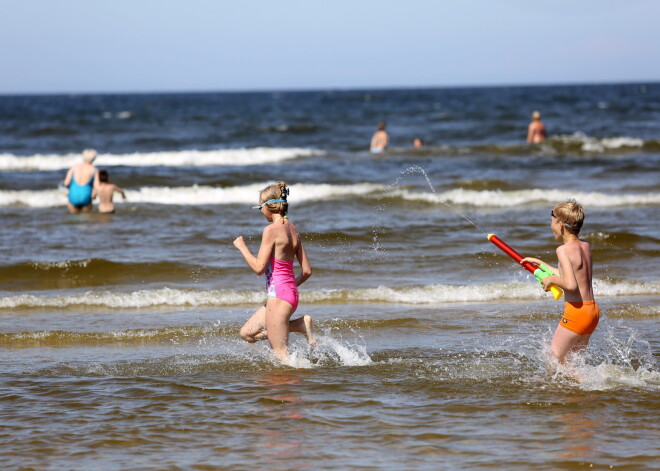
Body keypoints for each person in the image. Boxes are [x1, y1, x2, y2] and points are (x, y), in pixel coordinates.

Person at [233, 181, 315, 361]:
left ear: (268, 206)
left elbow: (258, 268)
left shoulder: (270, 230)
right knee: (247, 333)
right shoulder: (293, 230)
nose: (260, 212)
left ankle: (288, 387)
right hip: (289, 294)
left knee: (282, 359)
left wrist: (242, 247)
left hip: (278, 296)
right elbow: (307, 270)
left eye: (259, 207)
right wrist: (290, 286)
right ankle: (300, 324)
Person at [521, 200, 598, 363]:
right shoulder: (585, 246)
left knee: (554, 359)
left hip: (576, 313)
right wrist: (542, 265)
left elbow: (570, 285)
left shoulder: (562, 250)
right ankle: (586, 387)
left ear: (560, 225)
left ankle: (590, 387)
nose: (551, 226)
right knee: (573, 361)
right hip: (592, 312)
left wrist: (551, 279)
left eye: (551, 222)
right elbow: (574, 276)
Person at [62, 149, 99, 213]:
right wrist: (94, 195)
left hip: (73, 196)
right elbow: (97, 186)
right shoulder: (94, 170)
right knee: (85, 219)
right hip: (86, 196)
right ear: (94, 158)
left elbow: (66, 183)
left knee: (73, 218)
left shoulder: (74, 167)